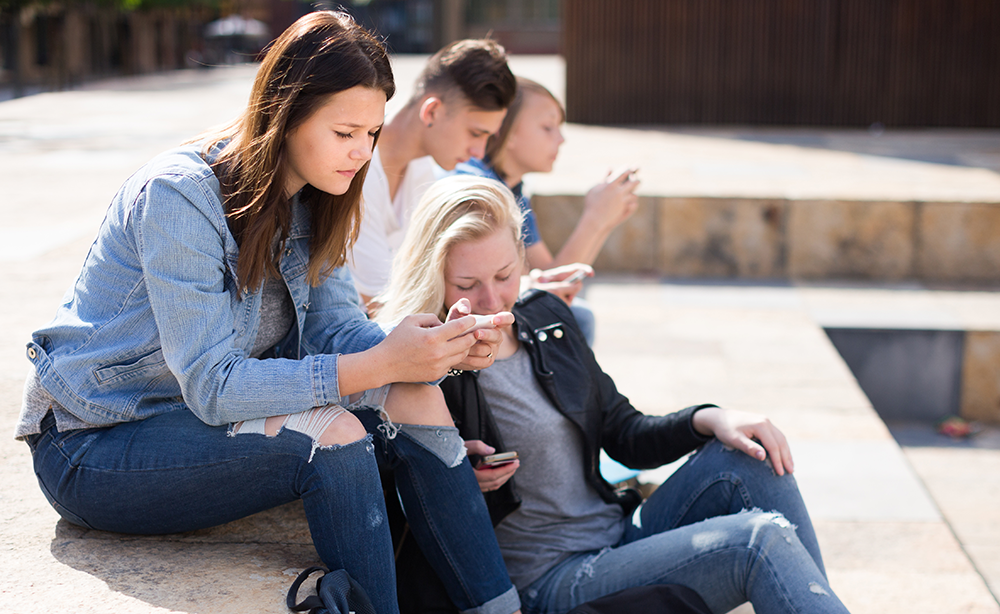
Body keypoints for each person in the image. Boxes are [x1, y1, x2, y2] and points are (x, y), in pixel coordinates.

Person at [16, 13, 522, 614]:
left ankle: (502, 606)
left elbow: (337, 329)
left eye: (373, 134)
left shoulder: (320, 195)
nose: (362, 153)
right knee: (330, 434)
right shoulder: (179, 197)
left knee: (415, 394)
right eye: (345, 132)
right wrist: (378, 364)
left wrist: (432, 350)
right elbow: (212, 384)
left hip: (202, 427)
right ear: (286, 114)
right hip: (97, 443)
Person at [377, 175, 852, 614]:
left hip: (619, 535)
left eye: (504, 275)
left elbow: (624, 432)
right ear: (434, 275)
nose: (492, 300)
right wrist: (454, 473)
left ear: (522, 257)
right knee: (758, 541)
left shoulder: (545, 316)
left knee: (754, 455)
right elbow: (394, 485)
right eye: (466, 284)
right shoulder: (424, 361)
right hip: (549, 580)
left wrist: (710, 418)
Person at [455, 77, 641, 345]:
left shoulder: (512, 186)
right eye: (547, 127)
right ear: (505, 130)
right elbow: (549, 296)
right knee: (579, 317)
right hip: (471, 324)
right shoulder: (482, 191)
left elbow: (552, 276)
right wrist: (596, 219)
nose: (561, 139)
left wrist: (604, 220)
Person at [348, 38, 517, 308]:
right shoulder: (354, 168)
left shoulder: (422, 168)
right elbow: (378, 301)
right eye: (475, 133)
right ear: (433, 111)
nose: (479, 151)